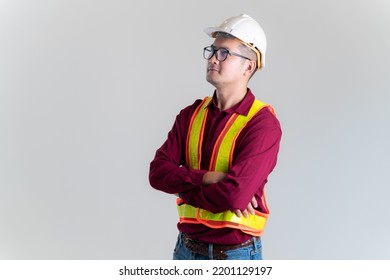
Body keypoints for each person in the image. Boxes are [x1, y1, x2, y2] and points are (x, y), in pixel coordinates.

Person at [149, 14, 282, 260]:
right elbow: (157, 174)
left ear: (248, 66)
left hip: (234, 256)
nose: (212, 58)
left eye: (224, 53)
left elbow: (235, 196)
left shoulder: (262, 124)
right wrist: (209, 178)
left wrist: (183, 190)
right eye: (212, 51)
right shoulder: (190, 115)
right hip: (185, 250)